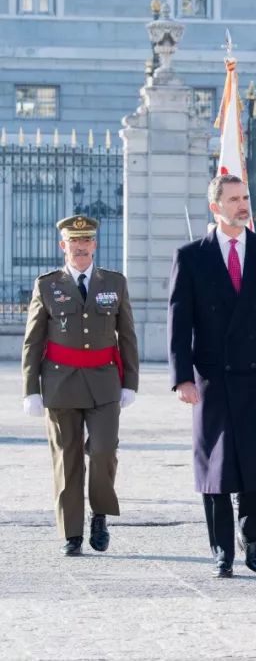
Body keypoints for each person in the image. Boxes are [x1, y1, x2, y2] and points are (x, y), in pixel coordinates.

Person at [167, 174, 256, 579]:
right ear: (216, 207)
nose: (243, 205)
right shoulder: (191, 256)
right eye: (234, 199)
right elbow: (179, 322)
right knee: (215, 466)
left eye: (245, 197)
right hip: (211, 376)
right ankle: (222, 549)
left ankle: (251, 533)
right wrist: (182, 377)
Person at [21, 214, 139, 557]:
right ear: (64, 246)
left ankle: (99, 513)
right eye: (74, 242)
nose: (81, 247)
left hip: (104, 382)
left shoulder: (113, 283)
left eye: (86, 241)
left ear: (94, 245)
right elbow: (33, 340)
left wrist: (130, 381)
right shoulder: (48, 285)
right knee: (67, 459)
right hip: (60, 383)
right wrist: (31, 389)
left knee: (103, 451)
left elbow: (127, 336)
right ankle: (72, 532)